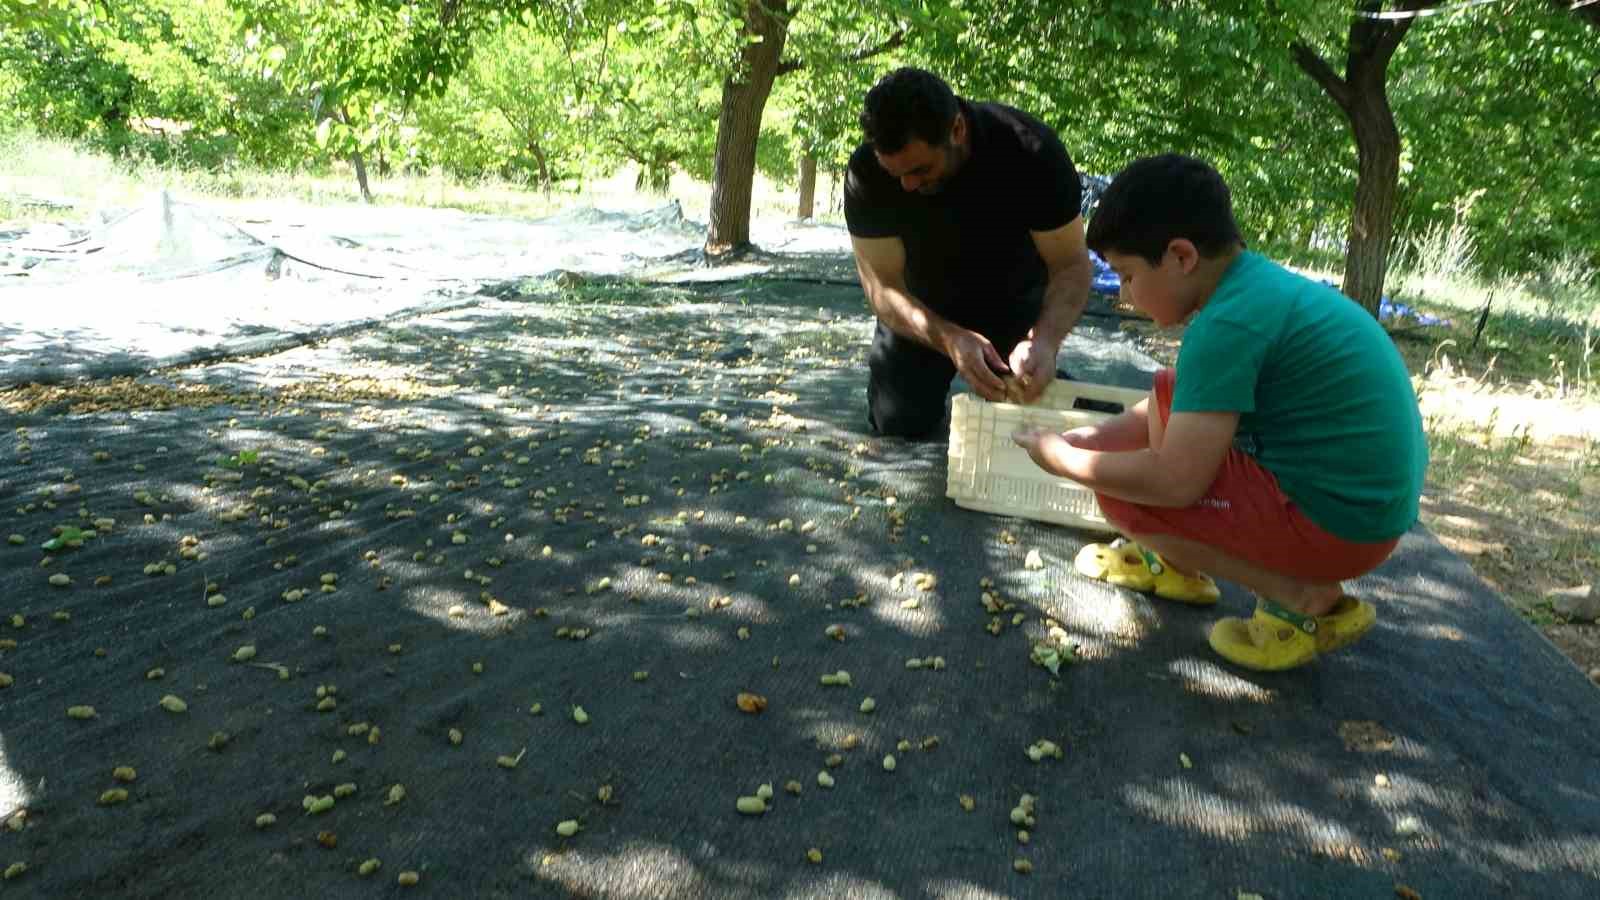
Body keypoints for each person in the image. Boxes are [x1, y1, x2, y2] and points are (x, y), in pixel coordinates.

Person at [1011, 154, 1427, 671]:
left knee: (1124, 497)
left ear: (1181, 256)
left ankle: (1302, 598)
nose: (1125, 296)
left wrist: (1065, 461)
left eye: (1128, 275)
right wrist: (1091, 439)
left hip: (1341, 529)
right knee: (1171, 391)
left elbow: (1173, 483)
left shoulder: (1225, 326)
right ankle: (1178, 561)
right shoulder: (1254, 289)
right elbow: (1170, 403)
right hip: (1364, 511)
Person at [845, 67, 1094, 439]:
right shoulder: (867, 173)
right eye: (896, 174)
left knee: (1027, 401)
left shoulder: (1030, 151)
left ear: (957, 129)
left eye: (920, 170)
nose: (907, 185)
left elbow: (1071, 265)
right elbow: (882, 287)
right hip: (922, 308)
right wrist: (950, 338)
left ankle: (1048, 376)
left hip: (1012, 299)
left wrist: (1043, 341)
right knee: (898, 423)